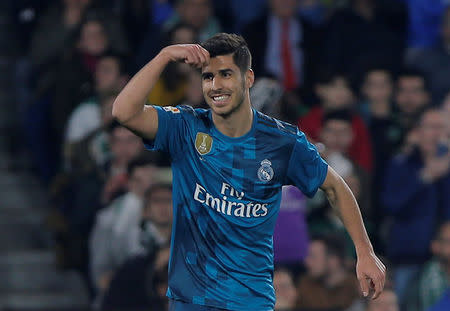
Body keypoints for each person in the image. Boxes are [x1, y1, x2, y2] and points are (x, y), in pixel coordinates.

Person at [112, 33, 385, 310]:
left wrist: (365, 251)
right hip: (191, 300)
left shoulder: (282, 143)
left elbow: (335, 186)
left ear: (249, 78)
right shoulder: (185, 128)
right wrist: (164, 56)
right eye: (208, 77)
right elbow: (124, 112)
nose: (216, 86)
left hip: (249, 301)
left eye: (226, 74)